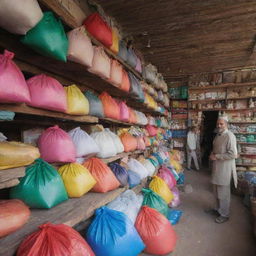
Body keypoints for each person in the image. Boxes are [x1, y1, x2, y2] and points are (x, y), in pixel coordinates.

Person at [206, 116, 237, 224]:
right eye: (218, 124)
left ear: (226, 124)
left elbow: (233, 154)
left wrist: (217, 156)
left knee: (223, 192)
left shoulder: (230, 136)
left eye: (221, 124)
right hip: (217, 166)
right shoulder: (218, 135)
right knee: (216, 190)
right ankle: (217, 209)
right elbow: (216, 149)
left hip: (224, 168)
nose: (219, 126)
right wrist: (212, 154)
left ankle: (224, 214)